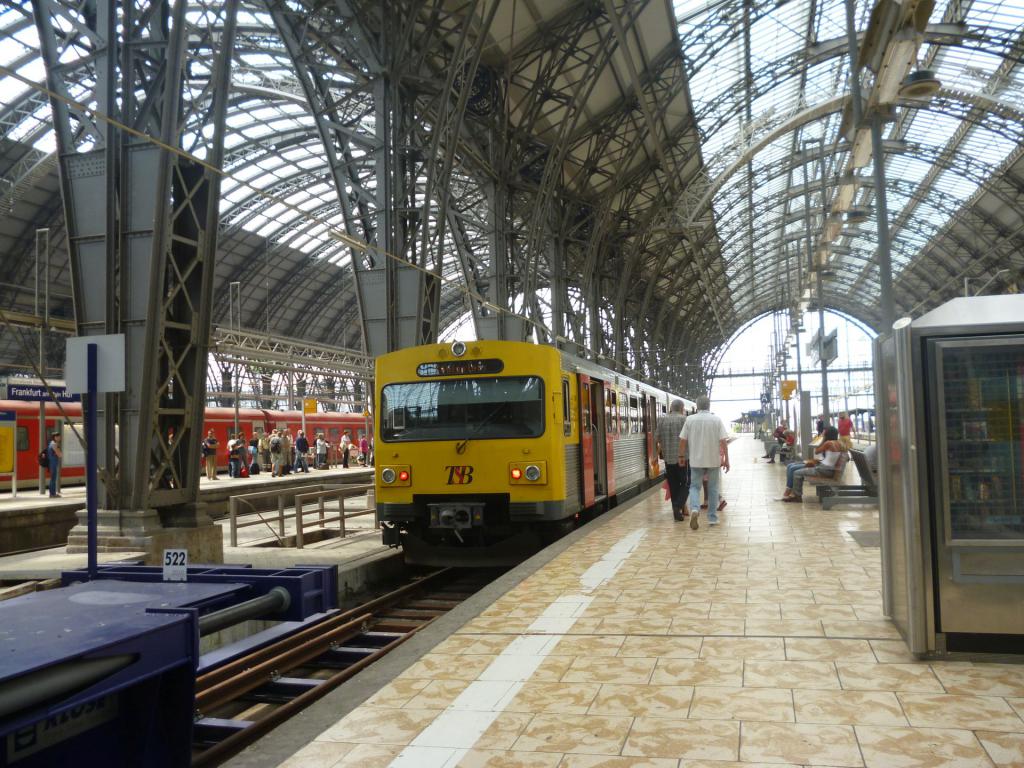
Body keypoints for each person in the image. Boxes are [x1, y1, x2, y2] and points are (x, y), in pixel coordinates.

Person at [678, 395, 730, 530]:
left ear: (697, 406)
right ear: (709, 406)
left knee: (694, 487)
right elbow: (723, 441)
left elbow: (683, 440)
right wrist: (726, 460)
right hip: (713, 460)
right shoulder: (716, 420)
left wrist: (681, 456)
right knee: (713, 488)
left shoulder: (690, 420)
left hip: (696, 460)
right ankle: (712, 518)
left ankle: (695, 509)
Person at [782, 426, 844, 502]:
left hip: (823, 469)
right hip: (827, 468)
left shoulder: (828, 443)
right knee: (793, 467)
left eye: (824, 433)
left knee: (796, 473)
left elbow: (817, 451)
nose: (822, 434)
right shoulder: (838, 443)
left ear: (828, 434)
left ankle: (797, 496)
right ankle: (793, 493)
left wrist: (822, 439)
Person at [654, 399, 689, 520]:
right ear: (681, 408)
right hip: (683, 458)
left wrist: (657, 453)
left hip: (668, 458)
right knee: (686, 483)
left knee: (673, 484)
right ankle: (678, 506)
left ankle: (677, 511)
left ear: (671, 407)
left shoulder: (662, 419)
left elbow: (657, 438)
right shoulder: (684, 419)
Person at [46, 432, 63, 497]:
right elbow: (60, 454)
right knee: (53, 478)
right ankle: (52, 494)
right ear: (55, 437)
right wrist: (59, 452)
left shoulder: (51, 443)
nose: (60, 438)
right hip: (53, 463)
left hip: (52, 462)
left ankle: (53, 493)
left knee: (53, 478)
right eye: (58, 437)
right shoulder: (54, 444)